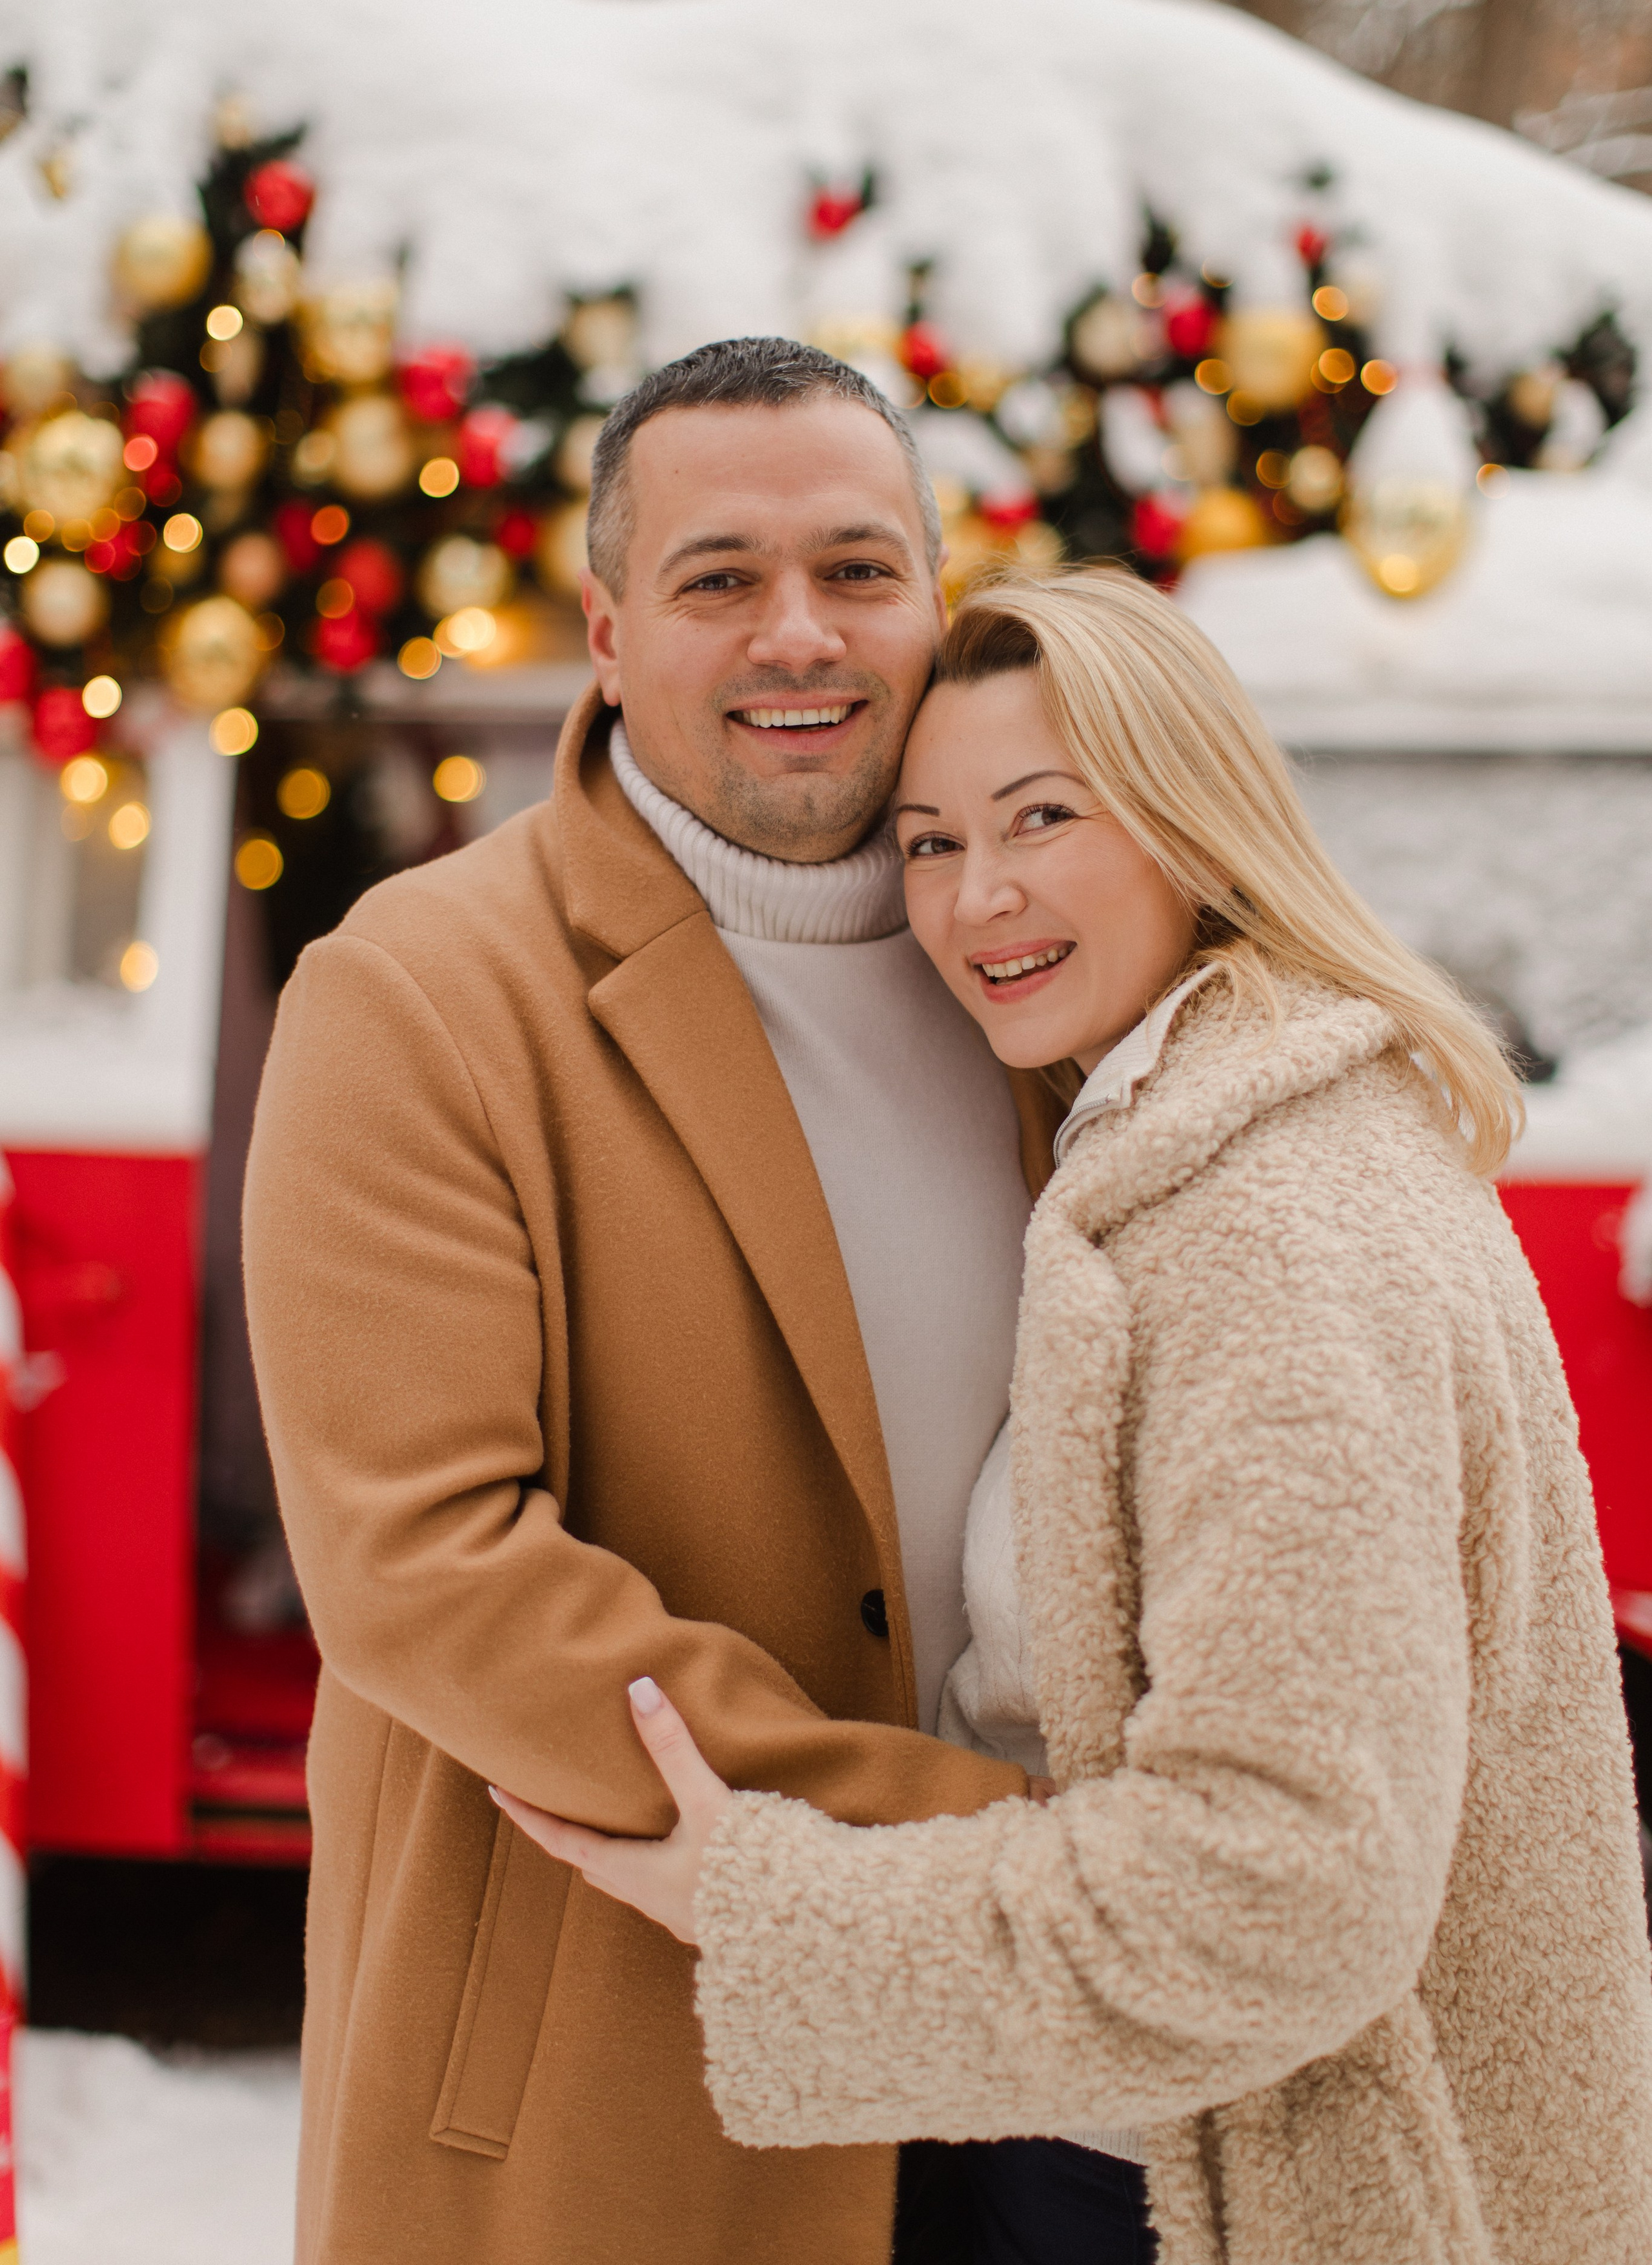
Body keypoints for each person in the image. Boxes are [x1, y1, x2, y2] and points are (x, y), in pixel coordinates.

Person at [494, 564, 1652, 2265]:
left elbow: (1284, 1891)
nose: (976, 901)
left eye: (1042, 817)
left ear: (1193, 822)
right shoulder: (1198, 1136)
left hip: (1163, 2189)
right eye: (935, 840)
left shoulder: (1270, 1224)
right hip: (1127, 2135)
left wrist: (775, 1908)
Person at [241, 338, 1067, 2265]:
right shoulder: (421, 995)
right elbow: (430, 1570)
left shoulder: (1048, 966)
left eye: (861, 571)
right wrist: (973, 1847)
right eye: (720, 581)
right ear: (609, 630)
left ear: (937, 602)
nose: (802, 633)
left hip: (1050, 2089)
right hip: (625, 2073)